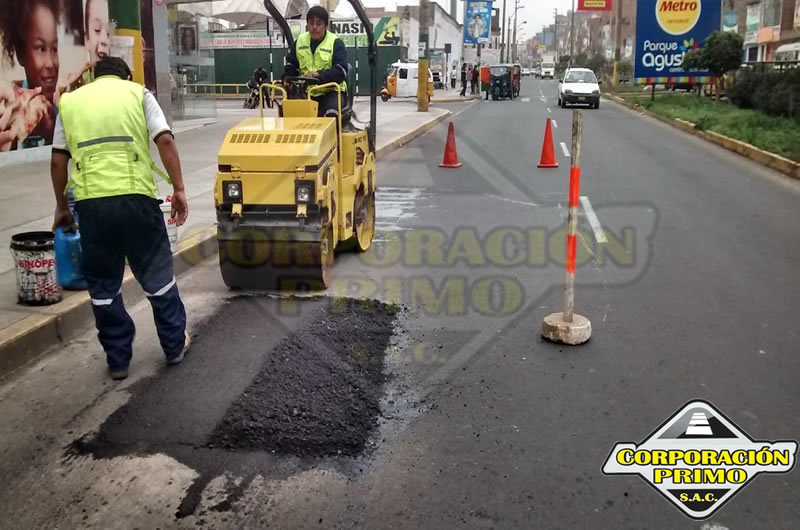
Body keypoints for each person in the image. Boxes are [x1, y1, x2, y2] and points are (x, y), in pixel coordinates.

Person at [50, 57, 190, 381]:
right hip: (136, 200)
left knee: (103, 285)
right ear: (126, 75)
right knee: (157, 275)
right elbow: (165, 140)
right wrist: (179, 188)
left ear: (93, 77)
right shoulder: (138, 93)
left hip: (93, 207)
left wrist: (62, 207)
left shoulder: (69, 103)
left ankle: (118, 360)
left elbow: (59, 162)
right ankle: (173, 346)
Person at [0, 0, 60, 147]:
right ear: (21, 53)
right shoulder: (8, 106)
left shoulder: (70, 104)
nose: (50, 63)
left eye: (54, 49)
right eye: (40, 48)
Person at [281, 6, 348, 118]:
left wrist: (319, 75)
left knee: (331, 114)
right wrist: (287, 78)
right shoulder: (299, 42)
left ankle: (334, 134)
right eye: (311, 23)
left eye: (319, 23)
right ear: (307, 25)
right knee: (288, 111)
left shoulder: (336, 43)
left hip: (331, 91)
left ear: (326, 26)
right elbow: (291, 65)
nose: (314, 27)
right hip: (306, 92)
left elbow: (341, 71)